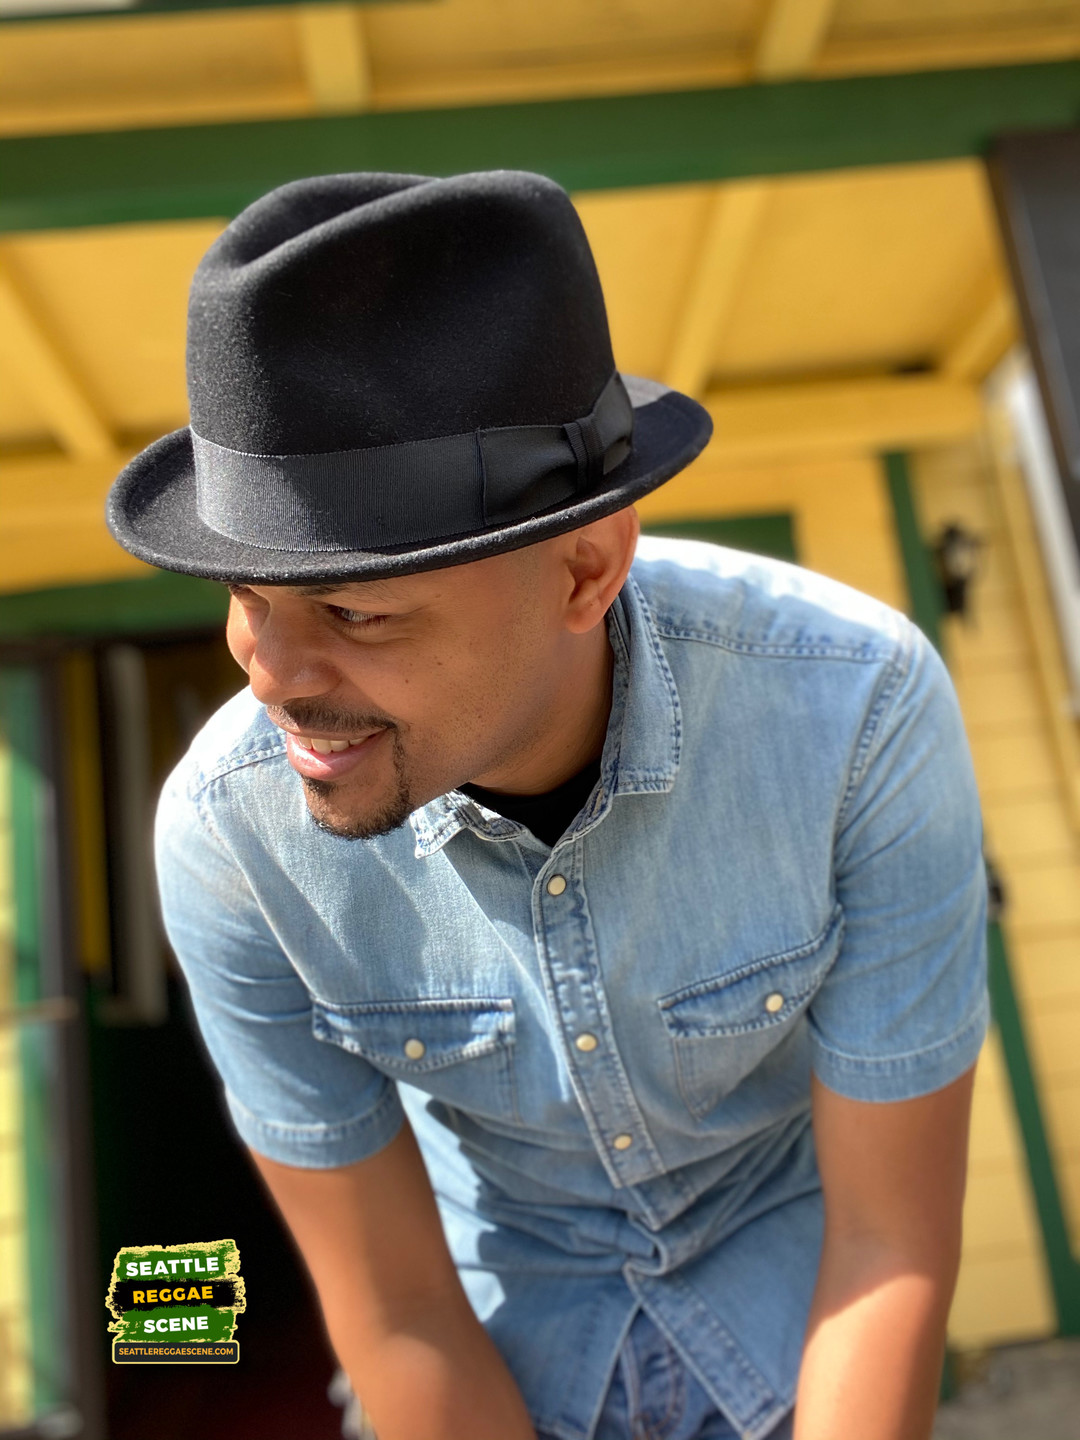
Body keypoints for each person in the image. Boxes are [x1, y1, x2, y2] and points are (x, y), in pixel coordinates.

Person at [107, 169, 989, 1440]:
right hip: (481, 1358)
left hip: (808, 1334)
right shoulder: (230, 837)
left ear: (584, 569)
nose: (270, 675)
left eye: (355, 610)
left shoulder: (858, 712)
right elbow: (397, 1310)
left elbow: (888, 1242)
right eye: (246, 594)